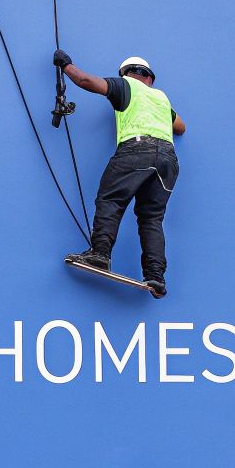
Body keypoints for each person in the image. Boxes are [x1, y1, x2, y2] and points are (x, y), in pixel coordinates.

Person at [53, 50, 186, 296]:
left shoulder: (127, 85)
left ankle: (100, 254)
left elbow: (85, 80)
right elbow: (181, 127)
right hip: (168, 162)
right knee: (151, 219)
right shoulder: (161, 98)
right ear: (149, 78)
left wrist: (66, 65)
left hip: (137, 150)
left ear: (126, 73)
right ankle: (156, 276)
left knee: (111, 200)